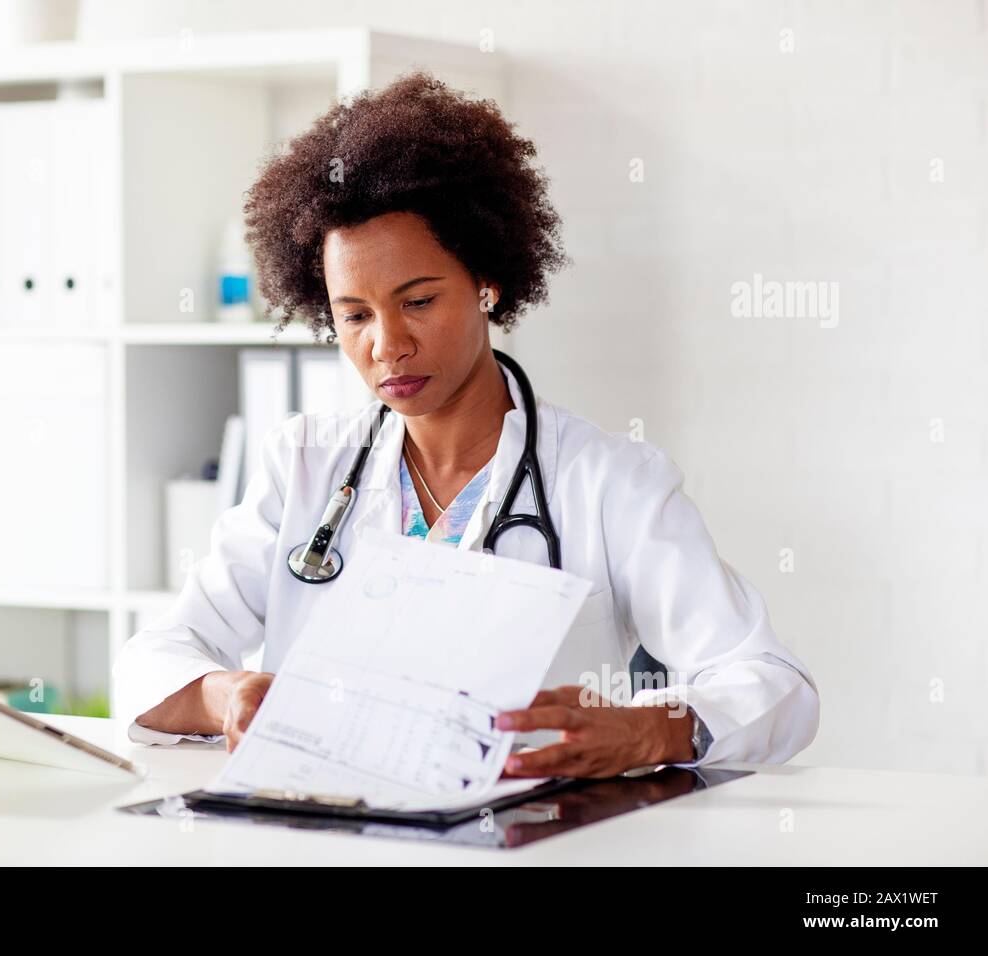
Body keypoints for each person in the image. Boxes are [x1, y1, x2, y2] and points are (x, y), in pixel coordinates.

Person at [114, 70, 819, 778]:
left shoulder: (608, 482)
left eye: (418, 301)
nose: (386, 345)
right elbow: (152, 660)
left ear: (488, 282)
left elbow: (775, 686)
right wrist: (225, 694)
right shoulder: (304, 465)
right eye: (354, 315)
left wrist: (651, 730)